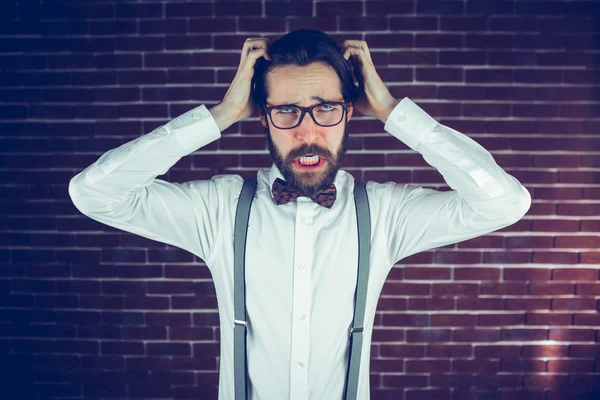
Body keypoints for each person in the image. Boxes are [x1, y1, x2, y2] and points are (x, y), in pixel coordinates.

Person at [69, 29, 531, 400]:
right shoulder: (219, 210)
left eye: (325, 109)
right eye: (287, 111)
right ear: (262, 115)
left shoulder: (387, 215)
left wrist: (393, 112)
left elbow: (503, 202)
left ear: (350, 113)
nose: (308, 132)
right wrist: (219, 115)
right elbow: (95, 193)